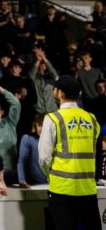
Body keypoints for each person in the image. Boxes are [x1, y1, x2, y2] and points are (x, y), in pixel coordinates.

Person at [38, 75, 101, 230]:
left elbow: (44, 158)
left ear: (59, 93)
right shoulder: (91, 119)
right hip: (87, 188)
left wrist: (50, 174)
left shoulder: (53, 118)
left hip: (62, 189)